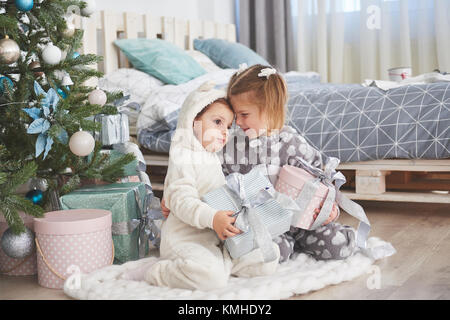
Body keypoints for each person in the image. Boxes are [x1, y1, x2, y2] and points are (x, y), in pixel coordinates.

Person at [162, 64, 355, 263]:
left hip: (304, 220)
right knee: (268, 254)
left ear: (270, 108)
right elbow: (206, 180)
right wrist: (172, 199)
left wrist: (329, 209)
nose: (238, 122)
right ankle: (288, 246)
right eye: (235, 116)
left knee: (337, 246)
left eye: (244, 115)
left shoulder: (291, 142)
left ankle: (308, 240)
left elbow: (322, 180)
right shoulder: (230, 146)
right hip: (265, 223)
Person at [122, 82, 280, 290]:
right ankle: (157, 271)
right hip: (186, 240)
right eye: (217, 122)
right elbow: (182, 200)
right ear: (193, 120)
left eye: (227, 126)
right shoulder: (183, 156)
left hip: (214, 239)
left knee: (269, 256)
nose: (224, 132)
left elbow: (215, 194)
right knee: (210, 279)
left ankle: (221, 263)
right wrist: (213, 218)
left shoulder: (210, 157)